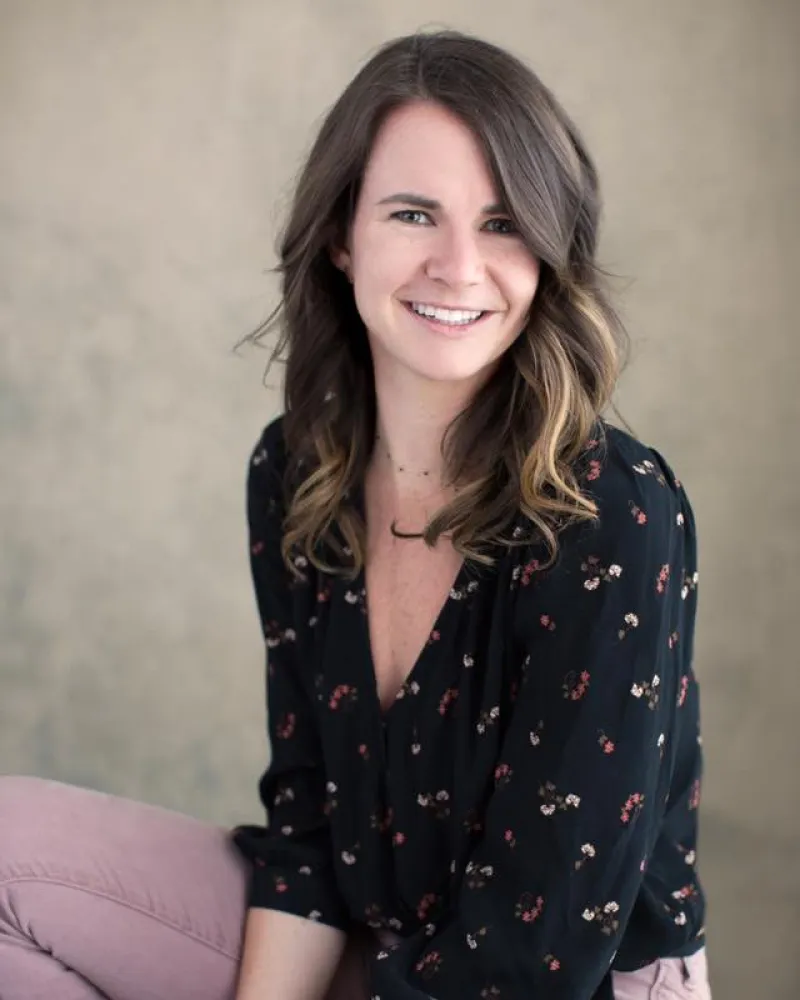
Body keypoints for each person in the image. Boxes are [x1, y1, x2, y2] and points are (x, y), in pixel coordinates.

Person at [0, 28, 710, 1000]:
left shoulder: (609, 510)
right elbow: (309, 830)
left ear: (548, 250)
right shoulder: (295, 470)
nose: (459, 265)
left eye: (503, 223)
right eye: (414, 213)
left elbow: (535, 949)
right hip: (377, 949)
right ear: (342, 234)